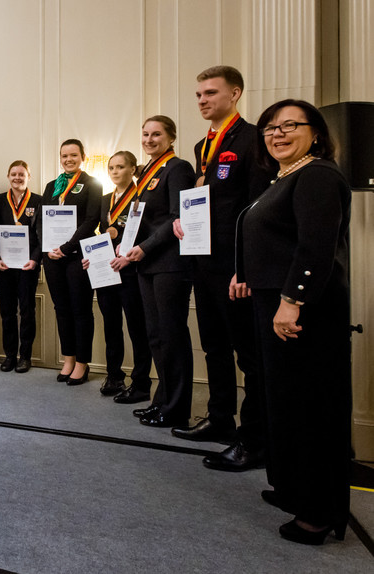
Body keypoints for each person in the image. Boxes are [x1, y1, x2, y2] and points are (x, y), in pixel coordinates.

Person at [234, 99, 351, 545]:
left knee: (308, 408)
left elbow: (315, 247)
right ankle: (294, 489)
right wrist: (248, 277)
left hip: (302, 311)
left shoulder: (318, 174)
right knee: (282, 402)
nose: (277, 134)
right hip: (275, 303)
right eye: (269, 128)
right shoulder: (284, 177)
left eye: (289, 126)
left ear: (315, 132)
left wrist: (291, 301)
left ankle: (316, 513)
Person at [172, 66, 272, 470]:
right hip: (203, 260)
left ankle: (255, 440)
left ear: (235, 93)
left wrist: (244, 267)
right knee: (213, 346)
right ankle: (219, 419)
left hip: (234, 268)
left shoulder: (252, 139)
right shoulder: (203, 146)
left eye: (211, 93)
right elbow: (205, 199)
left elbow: (255, 210)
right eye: (198, 94)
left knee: (249, 356)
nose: (202, 100)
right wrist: (182, 220)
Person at [112, 116, 196, 427]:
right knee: (156, 335)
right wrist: (127, 247)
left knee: (172, 336)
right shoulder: (149, 171)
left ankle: (176, 407)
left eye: (156, 134)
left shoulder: (178, 168)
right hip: (146, 264)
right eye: (145, 134)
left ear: (171, 137)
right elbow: (140, 219)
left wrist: (144, 247)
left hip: (169, 264)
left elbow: (176, 218)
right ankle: (161, 400)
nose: (149, 139)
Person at [85, 151, 152, 401]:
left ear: (132, 169)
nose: (115, 172)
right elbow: (102, 234)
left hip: (132, 270)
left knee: (137, 327)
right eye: (111, 168)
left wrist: (128, 256)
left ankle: (141, 381)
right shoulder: (105, 200)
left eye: (120, 167)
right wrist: (90, 256)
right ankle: (114, 376)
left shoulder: (141, 197)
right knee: (111, 326)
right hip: (107, 271)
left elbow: (146, 232)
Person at [41, 139, 102, 385]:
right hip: (53, 258)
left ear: (82, 157)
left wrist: (66, 247)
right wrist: (48, 249)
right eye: (64, 155)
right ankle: (68, 359)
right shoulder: (52, 186)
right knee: (61, 309)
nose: (69, 159)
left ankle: (82, 363)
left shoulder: (92, 184)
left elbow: (92, 220)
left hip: (77, 256)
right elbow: (42, 221)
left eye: (73, 155)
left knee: (81, 309)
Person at [0, 161, 41, 373]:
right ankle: (10, 355)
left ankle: (25, 356)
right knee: (7, 311)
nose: (17, 178)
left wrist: (35, 259)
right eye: (13, 174)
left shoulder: (38, 201)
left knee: (27, 311)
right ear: (8, 176)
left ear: (28, 176)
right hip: (4, 265)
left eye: (22, 174)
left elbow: (41, 235)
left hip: (28, 265)